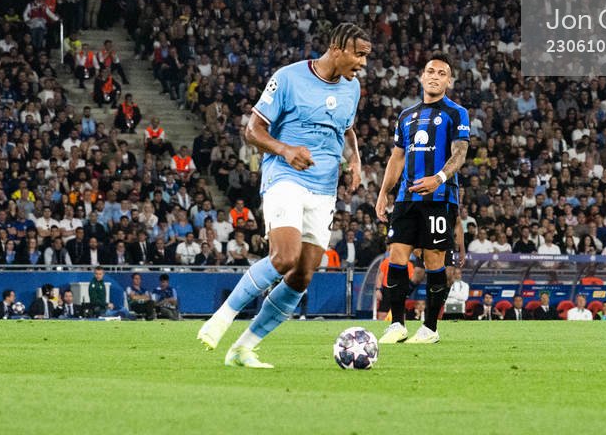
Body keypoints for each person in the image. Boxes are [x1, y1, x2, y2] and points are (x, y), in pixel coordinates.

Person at [197, 22, 370, 369]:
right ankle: (221, 317)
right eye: (359, 54)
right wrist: (286, 149)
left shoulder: (352, 88)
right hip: (285, 176)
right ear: (337, 49)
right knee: (284, 256)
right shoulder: (289, 78)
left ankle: (244, 348)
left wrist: (355, 160)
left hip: (324, 188)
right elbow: (252, 130)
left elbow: (347, 129)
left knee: (303, 273)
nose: (363, 63)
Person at [374, 53, 473, 346]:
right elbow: (397, 157)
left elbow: (460, 153)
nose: (435, 76)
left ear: (448, 81)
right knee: (397, 256)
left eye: (442, 73)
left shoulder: (457, 113)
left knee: (433, 260)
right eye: (430, 71)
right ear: (421, 77)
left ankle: (430, 328)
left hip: (440, 198)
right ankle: (397, 325)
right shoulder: (406, 116)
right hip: (406, 198)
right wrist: (383, 194)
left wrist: (438, 178)